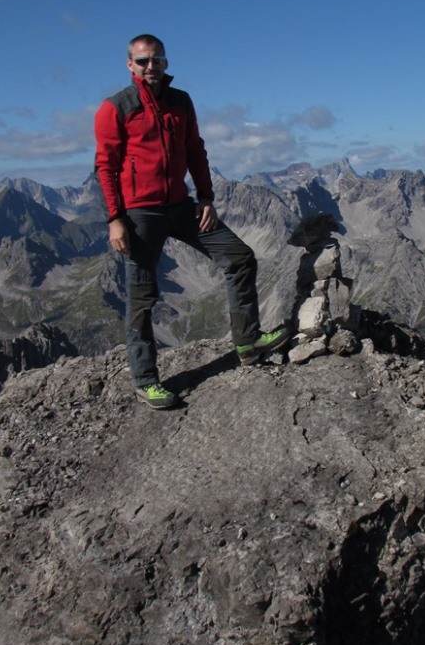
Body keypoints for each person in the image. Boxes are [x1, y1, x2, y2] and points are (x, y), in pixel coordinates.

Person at [94, 33, 289, 409]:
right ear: (130, 65)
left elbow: (194, 149)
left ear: (166, 62)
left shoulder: (181, 101)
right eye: (143, 61)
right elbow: (106, 165)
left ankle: (247, 343)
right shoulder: (116, 107)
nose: (151, 67)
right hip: (140, 213)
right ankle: (145, 381)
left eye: (158, 60)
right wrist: (115, 218)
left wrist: (206, 197)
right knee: (142, 297)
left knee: (239, 257)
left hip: (182, 206)